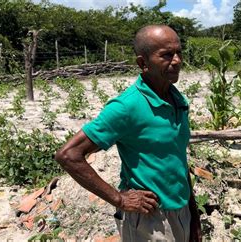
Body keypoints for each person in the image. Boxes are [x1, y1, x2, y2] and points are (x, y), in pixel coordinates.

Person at [54, 25, 201, 242]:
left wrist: (193, 215)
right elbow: (68, 155)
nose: (177, 60)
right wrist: (120, 199)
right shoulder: (127, 106)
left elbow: (178, 158)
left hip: (181, 212)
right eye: (167, 55)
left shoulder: (177, 99)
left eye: (179, 52)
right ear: (143, 63)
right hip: (150, 220)